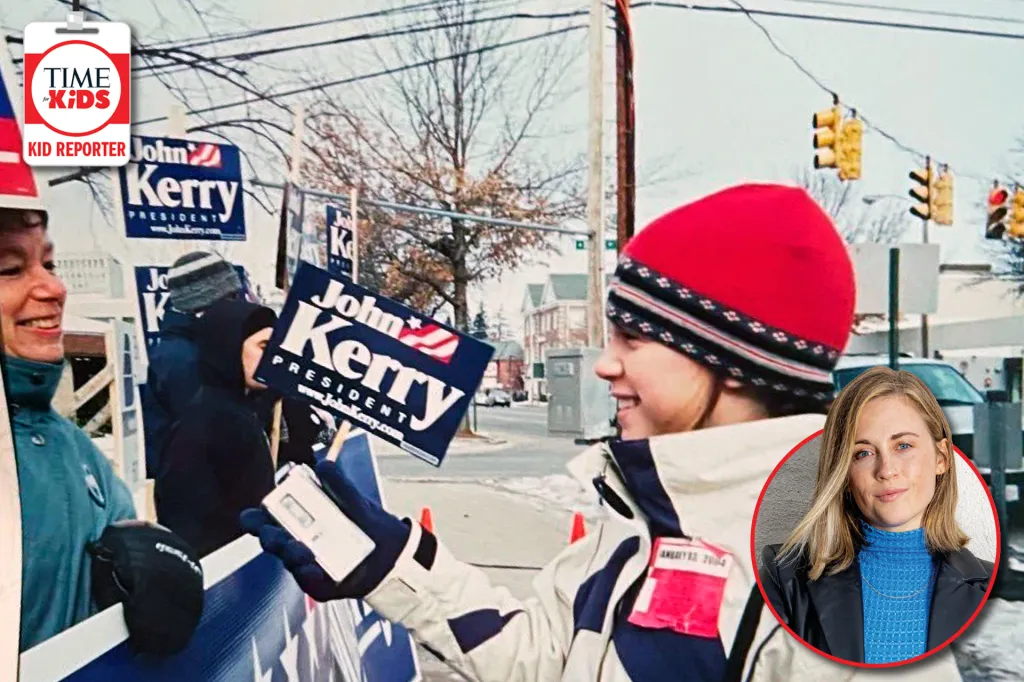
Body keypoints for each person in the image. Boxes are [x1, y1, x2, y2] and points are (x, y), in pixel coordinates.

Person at [240, 184, 962, 680]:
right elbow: (537, 657)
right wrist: (389, 564)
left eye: (634, 339)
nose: (606, 365)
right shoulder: (645, 514)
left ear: (731, 362)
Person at [3, 208, 203, 654]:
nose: (54, 288)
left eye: (48, 264)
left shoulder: (71, 445)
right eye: (10, 269)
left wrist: (154, 570)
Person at [759, 366, 993, 665]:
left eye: (904, 446)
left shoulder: (989, 587)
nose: (886, 470)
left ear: (941, 458)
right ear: (842, 473)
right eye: (863, 453)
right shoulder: (786, 579)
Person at [155, 299, 279, 557]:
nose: (273, 357)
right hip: (227, 580)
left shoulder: (239, 410)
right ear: (229, 348)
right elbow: (187, 523)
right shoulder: (206, 422)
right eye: (263, 346)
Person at [141, 250, 243, 475]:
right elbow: (210, 433)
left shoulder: (198, 347)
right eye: (233, 298)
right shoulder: (182, 358)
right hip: (196, 489)